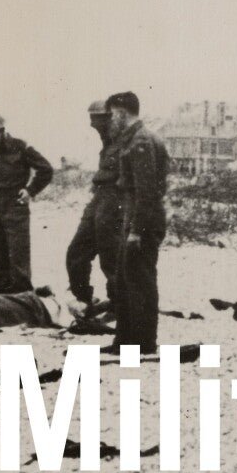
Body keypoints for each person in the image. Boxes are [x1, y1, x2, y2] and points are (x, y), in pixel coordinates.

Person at [107, 92, 170, 350]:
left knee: (140, 280)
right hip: (135, 217)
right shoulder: (134, 138)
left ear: (122, 112)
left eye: (112, 114)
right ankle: (125, 340)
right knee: (124, 279)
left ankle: (143, 342)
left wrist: (137, 231)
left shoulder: (141, 141)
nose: (111, 120)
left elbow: (146, 191)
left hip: (142, 220)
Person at [0, 113, 55, 293]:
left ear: (3, 130)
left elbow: (46, 169)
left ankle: (22, 295)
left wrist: (30, 190)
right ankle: (3, 296)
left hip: (16, 203)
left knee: (18, 256)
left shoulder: (21, 146)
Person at [65, 100, 123, 313]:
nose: (92, 125)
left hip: (115, 200)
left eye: (96, 119)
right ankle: (83, 299)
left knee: (111, 256)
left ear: (109, 118)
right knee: (76, 252)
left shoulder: (125, 141)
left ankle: (119, 303)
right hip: (99, 198)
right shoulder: (107, 142)